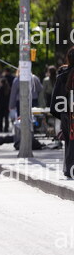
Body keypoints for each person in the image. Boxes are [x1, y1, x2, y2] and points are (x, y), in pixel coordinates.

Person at [50, 47, 74, 179]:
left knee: (69, 142)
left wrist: (60, 114)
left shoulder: (62, 74)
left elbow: (56, 98)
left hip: (65, 113)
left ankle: (68, 169)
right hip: (70, 113)